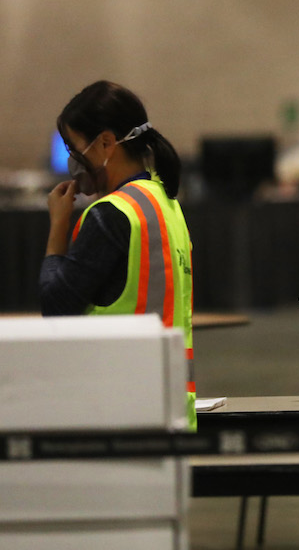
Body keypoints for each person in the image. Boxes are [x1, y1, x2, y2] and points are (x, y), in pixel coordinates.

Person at [39, 80, 196, 429]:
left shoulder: (110, 215)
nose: (71, 160)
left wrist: (58, 227)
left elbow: (56, 307)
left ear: (107, 143)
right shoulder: (166, 203)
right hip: (170, 403)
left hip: (118, 407)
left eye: (74, 146)